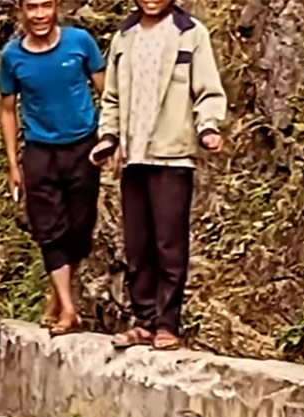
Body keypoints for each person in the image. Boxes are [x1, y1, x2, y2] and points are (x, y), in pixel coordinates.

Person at [90, 0, 227, 351]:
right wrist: (108, 137)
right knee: (138, 244)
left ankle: (167, 323)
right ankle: (143, 320)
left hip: (173, 153)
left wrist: (208, 127)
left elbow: (208, 91)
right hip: (134, 156)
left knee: (169, 243)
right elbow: (112, 98)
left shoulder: (191, 34)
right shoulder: (125, 36)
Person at [0, 0, 106, 335]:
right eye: (32, 7)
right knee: (49, 229)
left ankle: (57, 295)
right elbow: (7, 110)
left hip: (83, 145)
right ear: (21, 12)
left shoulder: (80, 42)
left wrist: (113, 137)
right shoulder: (12, 57)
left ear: (56, 7)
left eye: (46, 5)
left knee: (80, 226)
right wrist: (13, 162)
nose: (40, 14)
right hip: (40, 150)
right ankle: (68, 309)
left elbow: (107, 90)